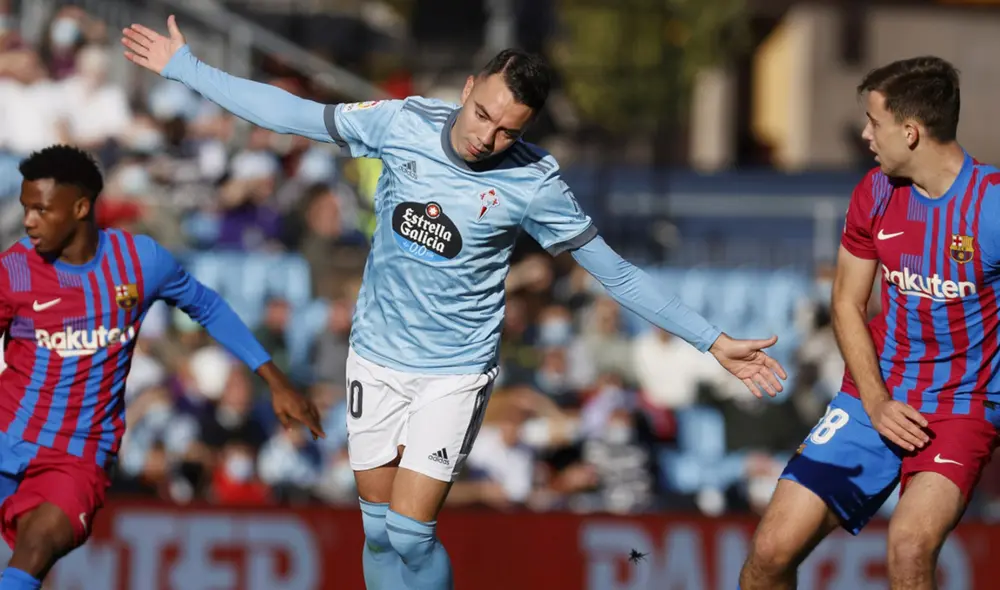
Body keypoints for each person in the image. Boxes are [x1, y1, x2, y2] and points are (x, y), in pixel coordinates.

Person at [121, 17, 787, 590]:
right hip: (375, 357)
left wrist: (710, 338)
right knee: (377, 533)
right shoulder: (400, 121)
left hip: (453, 371)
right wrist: (189, 69)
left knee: (412, 536)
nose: (487, 136)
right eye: (483, 114)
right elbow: (292, 115)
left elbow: (615, 273)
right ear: (467, 91)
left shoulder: (534, 183)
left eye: (507, 130)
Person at [0, 145, 325, 590]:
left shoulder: (140, 262)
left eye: (41, 209)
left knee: (36, 548)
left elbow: (208, 307)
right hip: (5, 435)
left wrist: (276, 379)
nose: (29, 221)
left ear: (80, 207)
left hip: (77, 457)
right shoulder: (14, 270)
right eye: (25, 209)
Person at [739, 56, 1000, 590]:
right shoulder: (874, 193)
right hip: (871, 397)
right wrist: (877, 402)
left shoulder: (993, 206)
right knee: (768, 554)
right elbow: (845, 303)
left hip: (959, 410)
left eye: (873, 122)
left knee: (908, 548)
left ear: (910, 132)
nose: (864, 134)